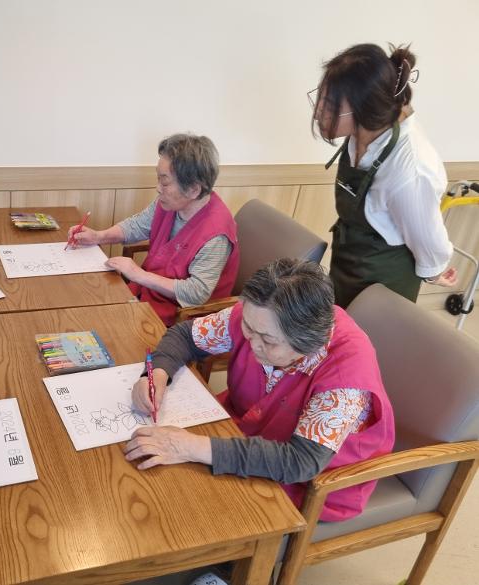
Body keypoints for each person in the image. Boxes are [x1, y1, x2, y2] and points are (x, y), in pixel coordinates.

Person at [124, 258, 395, 523]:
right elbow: (186, 336)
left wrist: (190, 446)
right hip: (245, 431)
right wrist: (156, 374)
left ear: (307, 344)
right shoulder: (262, 315)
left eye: (267, 340)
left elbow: (300, 462)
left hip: (308, 481)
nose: (251, 342)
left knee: (188, 513)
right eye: (248, 328)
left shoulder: (346, 375)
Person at [311, 43, 456, 307]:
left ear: (364, 109)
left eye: (331, 105)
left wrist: (435, 271)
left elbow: (427, 238)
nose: (320, 110)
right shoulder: (365, 132)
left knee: (366, 333)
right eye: (321, 97)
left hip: (384, 283)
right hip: (347, 262)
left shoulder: (410, 168)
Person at [67, 133, 239, 326]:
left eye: (164, 182)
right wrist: (98, 236)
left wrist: (138, 274)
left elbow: (196, 293)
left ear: (193, 189)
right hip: (147, 296)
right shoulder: (170, 203)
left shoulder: (216, 235)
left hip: (182, 320)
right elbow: (137, 226)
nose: (158, 188)